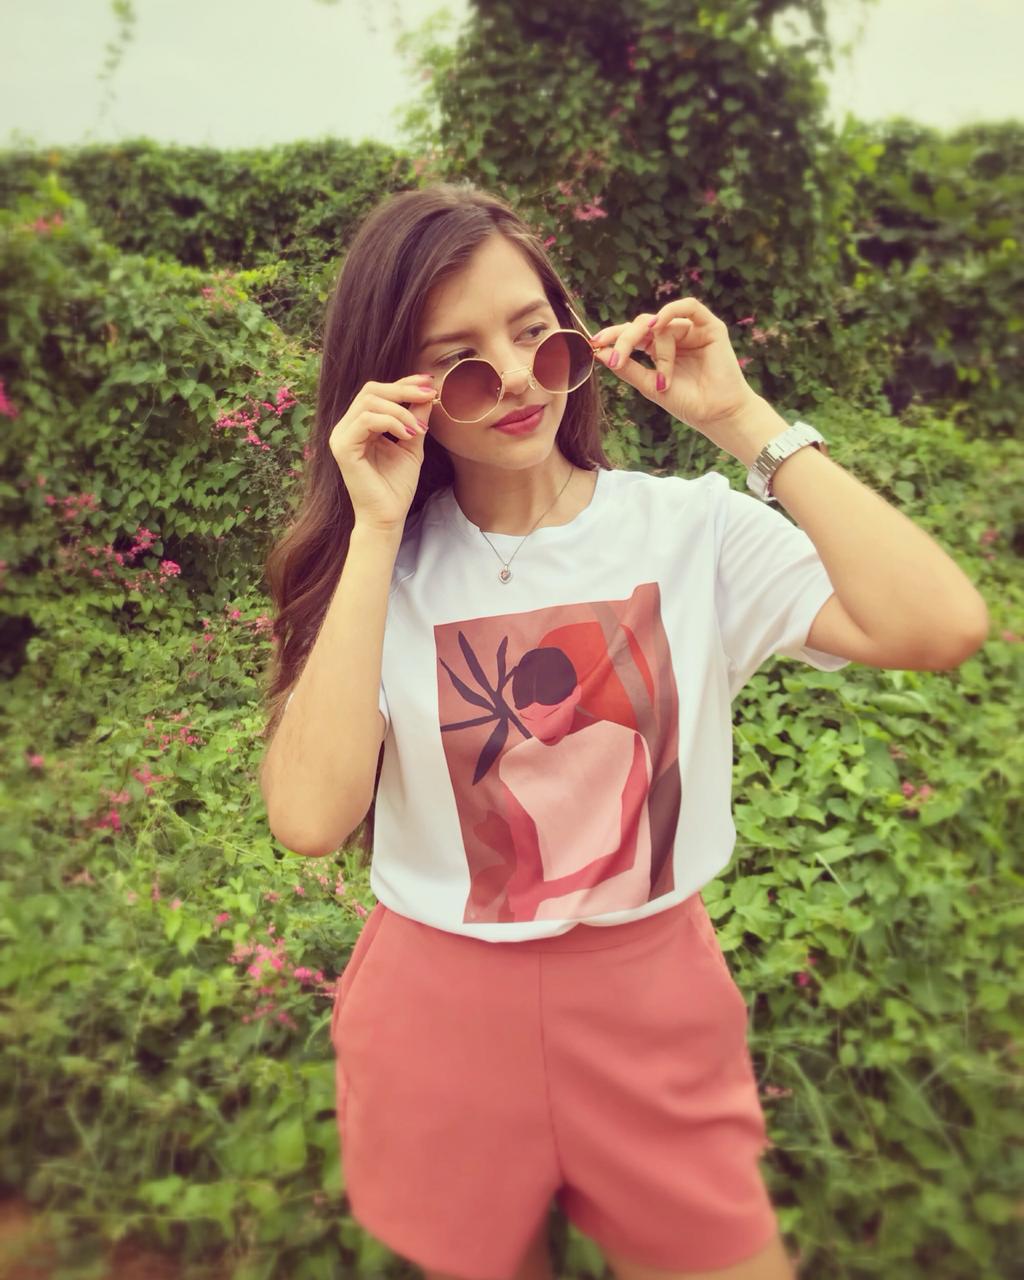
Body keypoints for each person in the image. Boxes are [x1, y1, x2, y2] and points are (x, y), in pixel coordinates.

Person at [259, 182, 989, 1280]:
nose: (514, 378)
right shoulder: (381, 571)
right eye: (460, 362)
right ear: (400, 390)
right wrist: (372, 527)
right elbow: (311, 818)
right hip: (439, 1014)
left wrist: (742, 421)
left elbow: (939, 624)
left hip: (654, 1000)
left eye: (533, 333)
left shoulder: (688, 530)